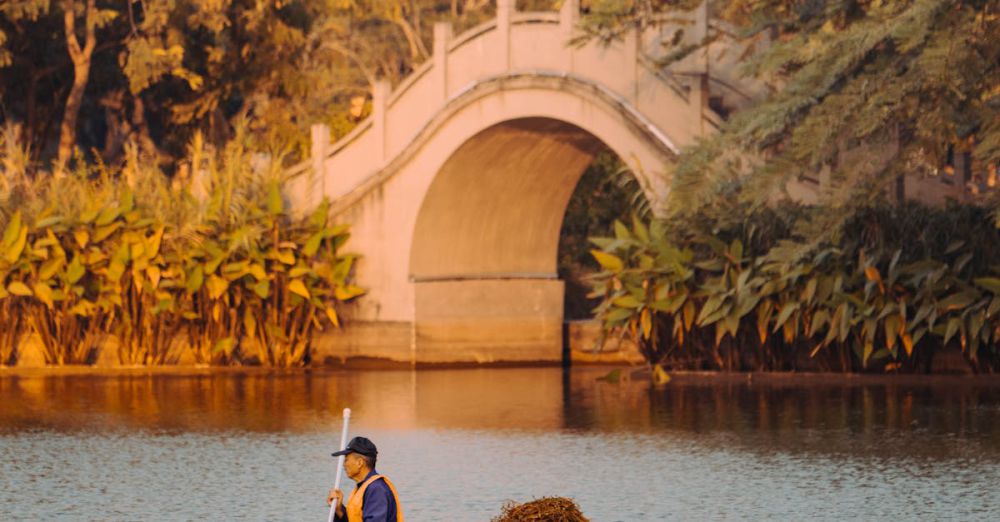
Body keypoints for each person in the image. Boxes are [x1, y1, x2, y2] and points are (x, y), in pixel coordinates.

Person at [327, 436, 403, 522]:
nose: (344, 465)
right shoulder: (364, 487)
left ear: (359, 463)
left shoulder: (376, 489)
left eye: (346, 460)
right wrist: (339, 510)